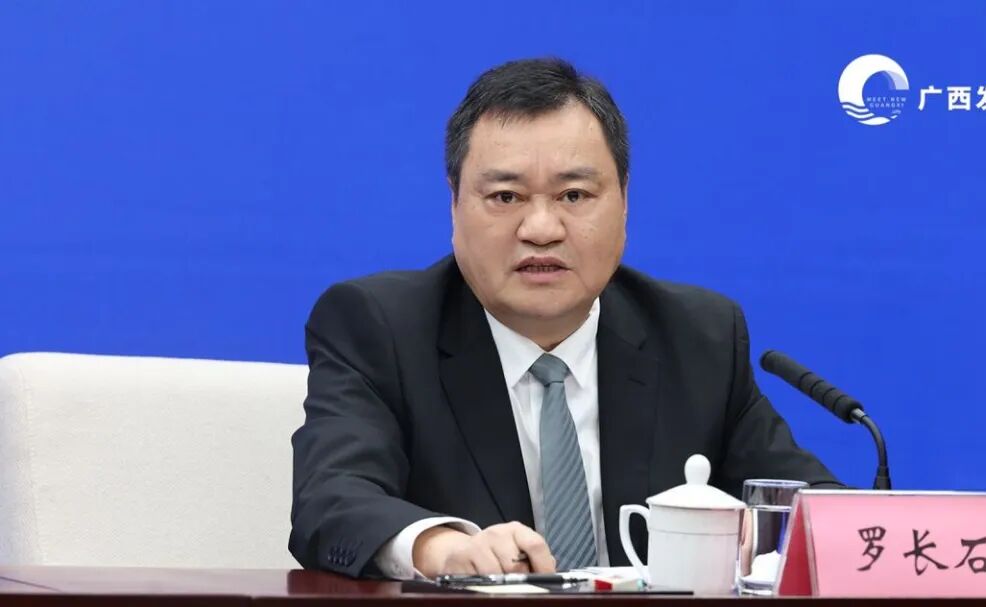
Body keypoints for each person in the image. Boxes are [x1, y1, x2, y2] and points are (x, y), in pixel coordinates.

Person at [289, 57, 839, 580]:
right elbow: (330, 501)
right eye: (506, 197)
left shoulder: (698, 336)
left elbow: (813, 508)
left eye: (574, 195)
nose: (541, 229)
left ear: (624, 201)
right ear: (454, 205)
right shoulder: (380, 328)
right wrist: (446, 549)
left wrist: (769, 537)